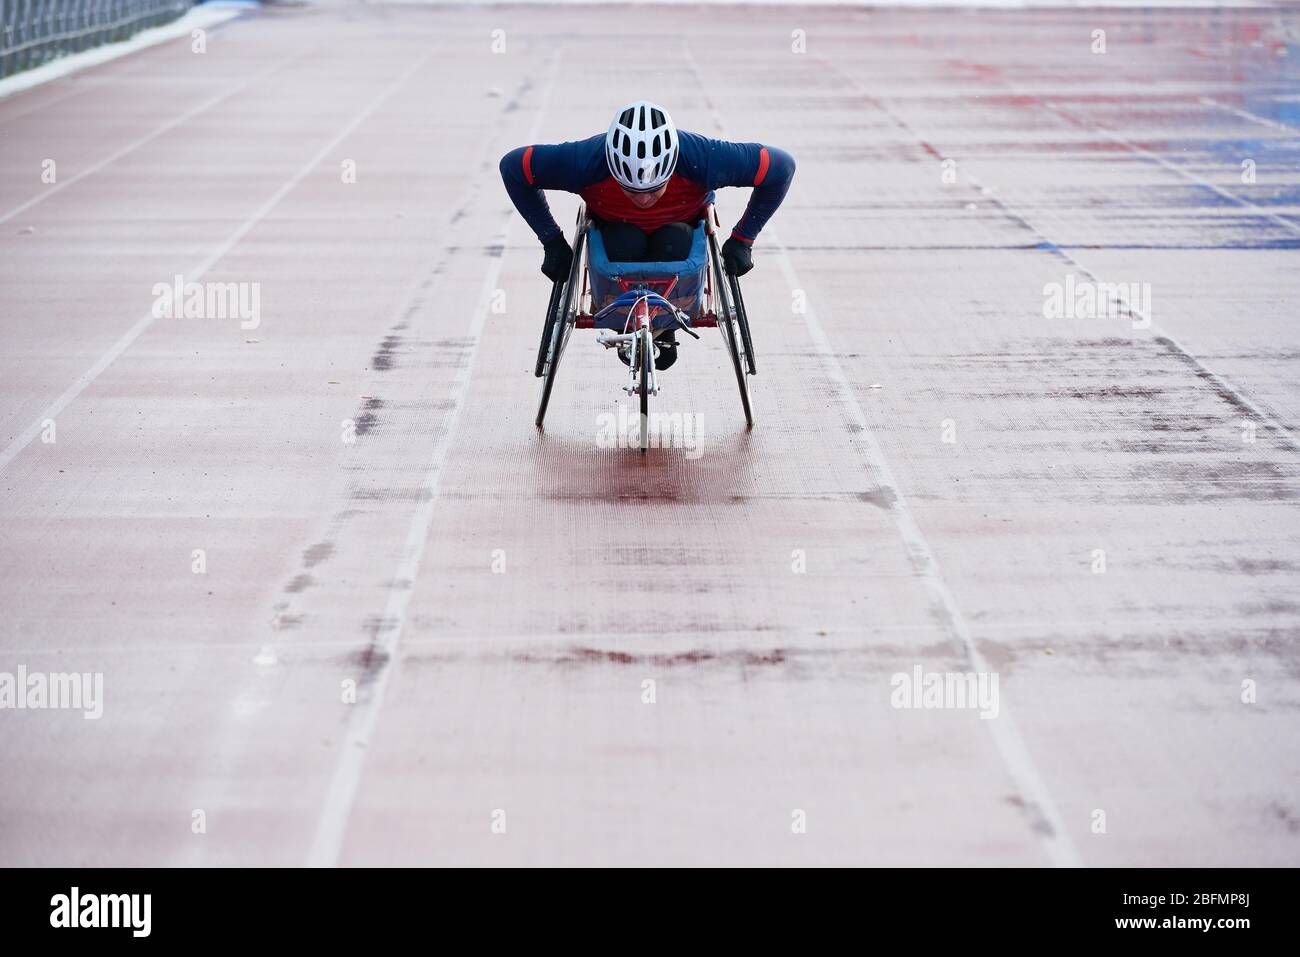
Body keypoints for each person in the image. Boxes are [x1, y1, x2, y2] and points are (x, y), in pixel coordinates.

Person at [500, 101, 795, 370]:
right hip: (617, 237)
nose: (643, 199)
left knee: (675, 239)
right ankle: (624, 320)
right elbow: (513, 168)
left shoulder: (704, 158)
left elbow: (782, 167)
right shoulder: (583, 161)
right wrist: (551, 241)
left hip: (678, 236)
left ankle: (665, 328)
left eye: (654, 189)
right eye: (631, 190)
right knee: (625, 240)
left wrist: (744, 239)